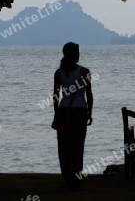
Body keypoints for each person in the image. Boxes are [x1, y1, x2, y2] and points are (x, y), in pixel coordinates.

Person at [53, 42, 93, 190]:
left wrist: (57, 112)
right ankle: (76, 176)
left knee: (64, 147)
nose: (79, 54)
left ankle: (67, 176)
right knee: (77, 146)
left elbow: (56, 95)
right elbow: (89, 94)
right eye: (78, 52)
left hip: (64, 112)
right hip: (80, 112)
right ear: (75, 55)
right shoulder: (85, 72)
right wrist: (90, 112)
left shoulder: (59, 72)